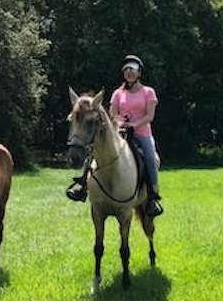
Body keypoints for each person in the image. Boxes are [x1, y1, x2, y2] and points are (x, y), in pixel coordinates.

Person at [66, 54, 164, 217]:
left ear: (139, 73)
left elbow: (149, 116)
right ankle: (83, 186)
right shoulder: (118, 94)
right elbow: (113, 114)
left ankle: (152, 197)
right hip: (120, 134)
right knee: (94, 153)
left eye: (133, 70)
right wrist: (121, 124)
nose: (129, 73)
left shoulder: (148, 92)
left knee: (151, 159)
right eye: (126, 70)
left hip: (142, 134)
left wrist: (134, 124)